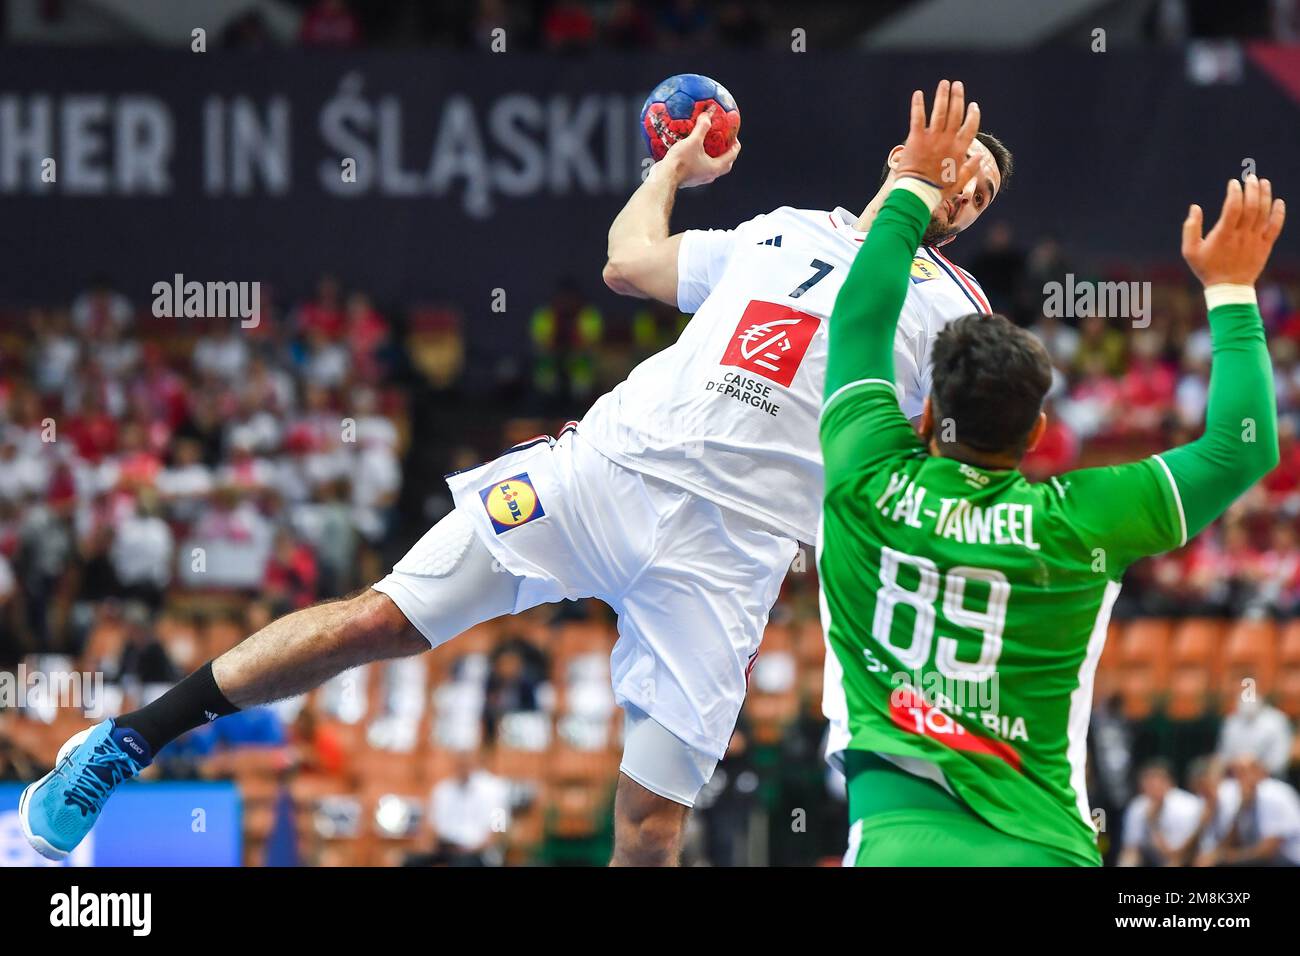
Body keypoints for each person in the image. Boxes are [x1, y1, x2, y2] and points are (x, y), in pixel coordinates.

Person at [20, 81, 1010, 868]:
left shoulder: (959, 311)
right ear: (913, 153)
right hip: (607, 472)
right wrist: (666, 168)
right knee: (380, 619)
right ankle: (126, 741)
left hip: (731, 555)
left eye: (984, 192)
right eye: (963, 165)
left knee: (650, 830)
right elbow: (629, 261)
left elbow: (953, 445)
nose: (967, 191)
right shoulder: (781, 227)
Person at [816, 80, 1283, 865]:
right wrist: (1232, 292)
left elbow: (858, 317)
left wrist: (913, 185)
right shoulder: (1078, 520)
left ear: (927, 415)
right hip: (1047, 846)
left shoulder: (863, 481)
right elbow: (1243, 448)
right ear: (1036, 434)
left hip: (899, 841)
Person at [1117, 760, 1203, 866]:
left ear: (1169, 784)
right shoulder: (1138, 806)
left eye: (1156, 783)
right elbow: (1130, 849)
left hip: (1187, 859)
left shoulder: (1187, 807)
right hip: (1152, 860)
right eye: (1147, 785)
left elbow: (1176, 856)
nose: (1151, 789)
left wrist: (1152, 823)